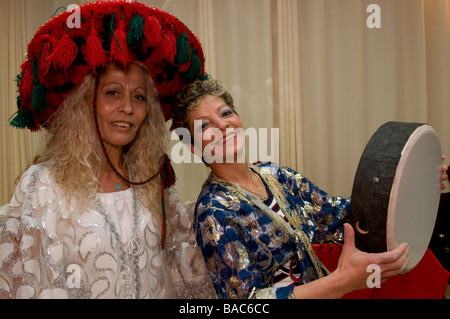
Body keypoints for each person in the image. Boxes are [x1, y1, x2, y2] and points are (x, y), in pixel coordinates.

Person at [0, 1, 215, 299]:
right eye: (112, 93)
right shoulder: (43, 185)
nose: (127, 108)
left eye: (139, 97)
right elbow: (27, 283)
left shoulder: (149, 180)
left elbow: (182, 259)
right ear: (85, 103)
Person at [171, 77, 449, 299]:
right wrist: (340, 282)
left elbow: (341, 214)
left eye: (226, 112)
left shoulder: (274, 174)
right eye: (205, 125)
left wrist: (416, 182)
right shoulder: (214, 211)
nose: (222, 125)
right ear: (194, 147)